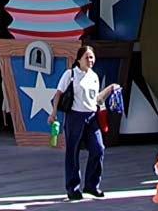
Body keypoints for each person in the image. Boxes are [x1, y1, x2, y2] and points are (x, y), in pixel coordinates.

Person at [47, 45, 121, 201]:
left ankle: (92, 185)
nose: (90, 60)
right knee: (72, 152)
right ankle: (73, 188)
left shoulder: (94, 76)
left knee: (98, 148)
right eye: (87, 57)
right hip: (75, 116)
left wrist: (110, 89)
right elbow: (58, 94)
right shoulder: (70, 74)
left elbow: (96, 99)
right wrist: (53, 113)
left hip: (91, 116)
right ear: (79, 59)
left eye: (92, 57)